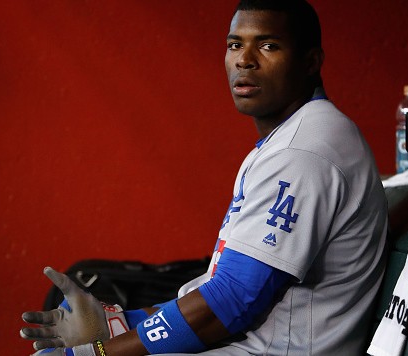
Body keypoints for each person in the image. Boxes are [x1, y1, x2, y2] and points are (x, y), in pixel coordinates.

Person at [20, 0, 388, 355]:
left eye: (269, 45)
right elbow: (224, 294)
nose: (244, 60)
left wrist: (101, 352)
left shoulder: (303, 153)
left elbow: (233, 300)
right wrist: (119, 323)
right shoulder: (295, 137)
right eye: (234, 45)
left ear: (310, 61)